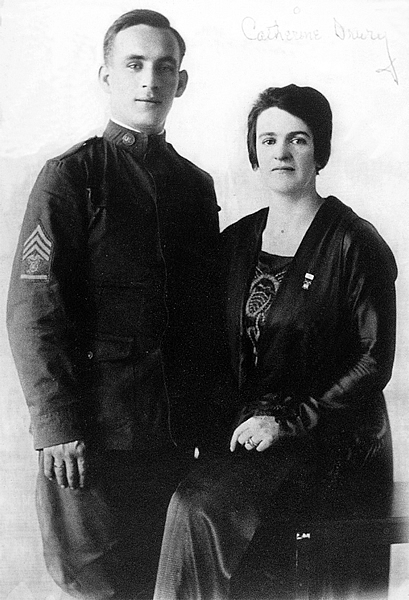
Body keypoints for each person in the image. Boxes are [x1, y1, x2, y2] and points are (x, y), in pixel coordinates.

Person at [153, 84, 397, 600]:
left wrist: (286, 422)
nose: (281, 153)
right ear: (254, 152)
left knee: (199, 507)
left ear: (320, 150)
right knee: (170, 494)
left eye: (298, 139)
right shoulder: (236, 242)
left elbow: (374, 361)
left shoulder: (354, 241)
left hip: (332, 436)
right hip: (255, 432)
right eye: (268, 141)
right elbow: (215, 354)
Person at [6, 9, 220, 600]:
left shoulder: (194, 187)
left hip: (174, 439)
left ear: (181, 82)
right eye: (134, 65)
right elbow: (33, 310)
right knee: (101, 587)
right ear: (106, 77)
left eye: (164, 67)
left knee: (168, 585)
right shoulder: (71, 177)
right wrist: (56, 425)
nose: (150, 79)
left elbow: (205, 318)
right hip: (89, 440)